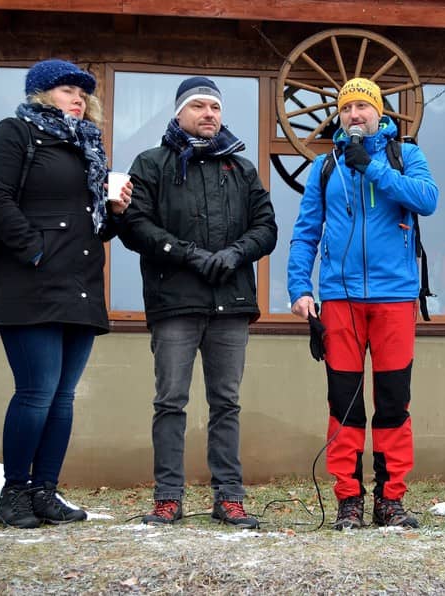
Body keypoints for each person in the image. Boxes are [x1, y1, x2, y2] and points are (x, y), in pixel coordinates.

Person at [0, 59, 132, 528]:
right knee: (36, 392)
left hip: (80, 284)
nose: (79, 98)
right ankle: (14, 494)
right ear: (41, 94)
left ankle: (44, 491)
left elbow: (97, 228)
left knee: (62, 397)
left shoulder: (88, 147)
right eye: (67, 90)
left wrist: (115, 211)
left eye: (84, 93)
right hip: (30, 281)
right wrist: (35, 250)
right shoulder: (15, 132)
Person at [119, 77, 277, 527]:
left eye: (215, 107)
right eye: (199, 106)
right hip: (174, 303)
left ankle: (229, 498)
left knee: (226, 403)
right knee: (170, 402)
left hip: (232, 301)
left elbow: (266, 227)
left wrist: (235, 254)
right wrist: (188, 254)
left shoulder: (241, 168)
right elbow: (135, 226)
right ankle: (168, 498)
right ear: (179, 113)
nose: (209, 114)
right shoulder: (151, 163)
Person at [288, 78, 439, 529]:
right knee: (344, 404)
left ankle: (390, 500)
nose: (355, 114)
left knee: (393, 402)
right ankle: (348, 499)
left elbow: (427, 200)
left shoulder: (405, 155)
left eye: (363, 106)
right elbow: (305, 232)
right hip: (340, 299)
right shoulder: (325, 166)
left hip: (395, 298)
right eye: (347, 108)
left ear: (379, 112)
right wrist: (299, 288)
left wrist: (373, 168)